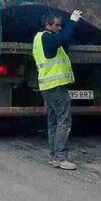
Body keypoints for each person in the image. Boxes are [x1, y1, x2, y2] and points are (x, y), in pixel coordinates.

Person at [32, 9, 82, 170]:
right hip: (55, 87)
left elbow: (63, 40)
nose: (59, 28)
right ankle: (61, 157)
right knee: (64, 120)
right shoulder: (48, 38)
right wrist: (73, 21)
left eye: (61, 25)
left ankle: (54, 156)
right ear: (47, 25)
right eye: (57, 25)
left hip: (47, 86)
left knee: (53, 121)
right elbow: (65, 37)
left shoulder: (40, 38)